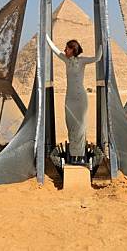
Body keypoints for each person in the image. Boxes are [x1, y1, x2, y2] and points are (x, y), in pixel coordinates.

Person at [46, 35, 102, 165]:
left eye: (67, 48)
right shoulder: (66, 60)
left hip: (81, 98)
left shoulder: (82, 61)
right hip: (69, 98)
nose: (64, 50)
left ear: (73, 49)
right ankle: (73, 154)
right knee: (70, 125)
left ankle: (81, 156)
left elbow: (97, 58)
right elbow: (54, 49)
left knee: (81, 126)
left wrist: (102, 43)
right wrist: (45, 36)